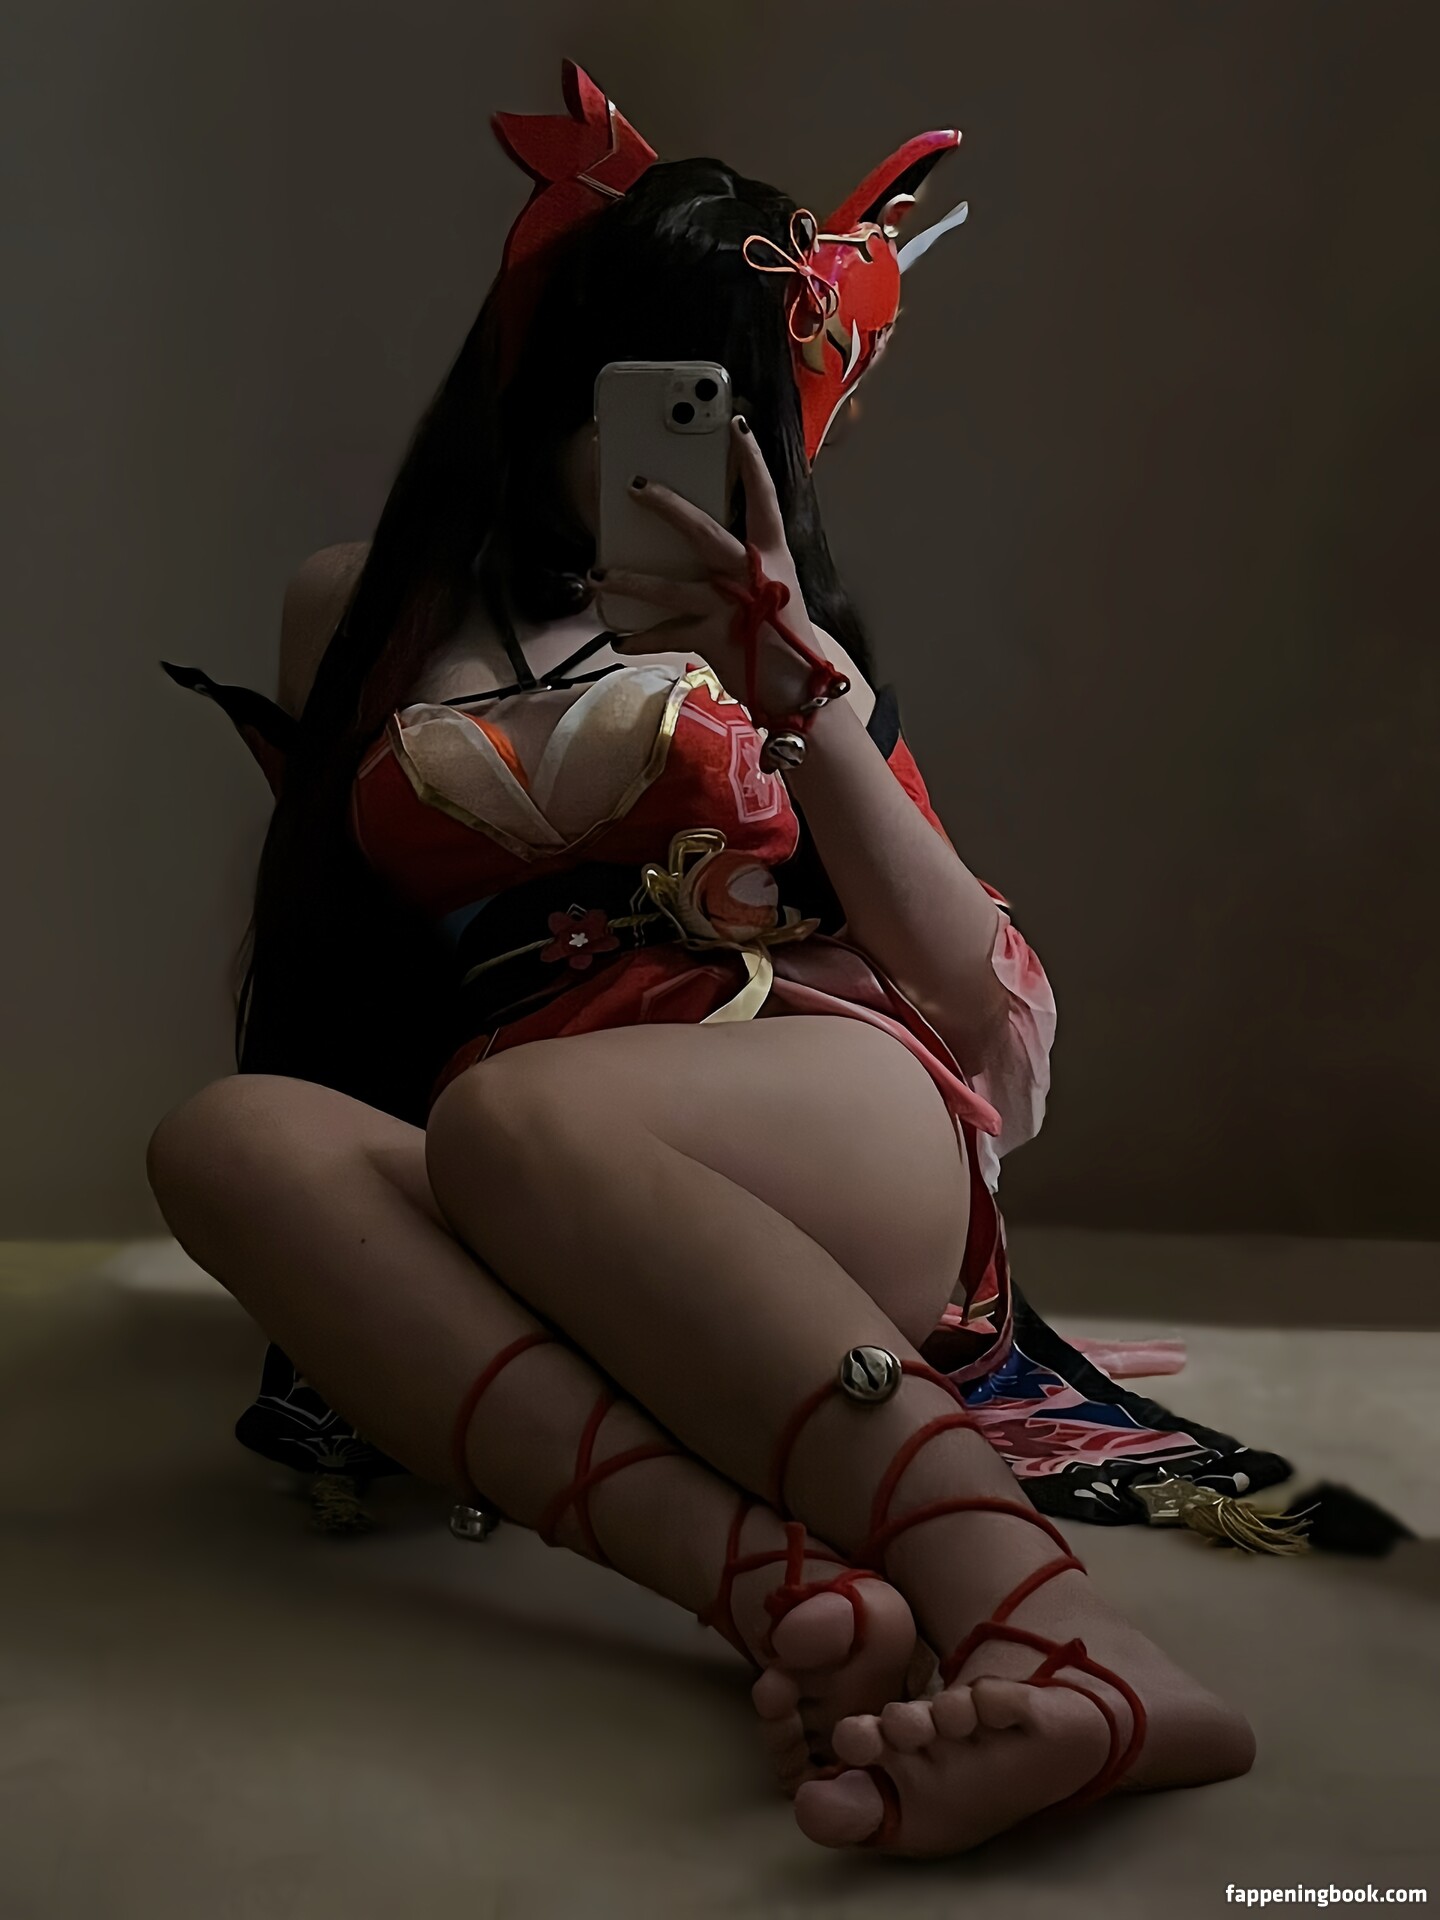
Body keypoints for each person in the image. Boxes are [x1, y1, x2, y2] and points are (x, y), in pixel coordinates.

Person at [146, 61, 1259, 1858]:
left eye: (736, 400)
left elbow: (977, 997)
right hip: (538, 1176)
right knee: (228, 1141)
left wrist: (802, 699)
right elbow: (346, 933)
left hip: (811, 1100)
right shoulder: (365, 604)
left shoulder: (797, 649)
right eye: (644, 389)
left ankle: (1068, 1635)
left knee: (516, 1119)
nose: (670, 439)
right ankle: (781, 1592)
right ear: (549, 382)